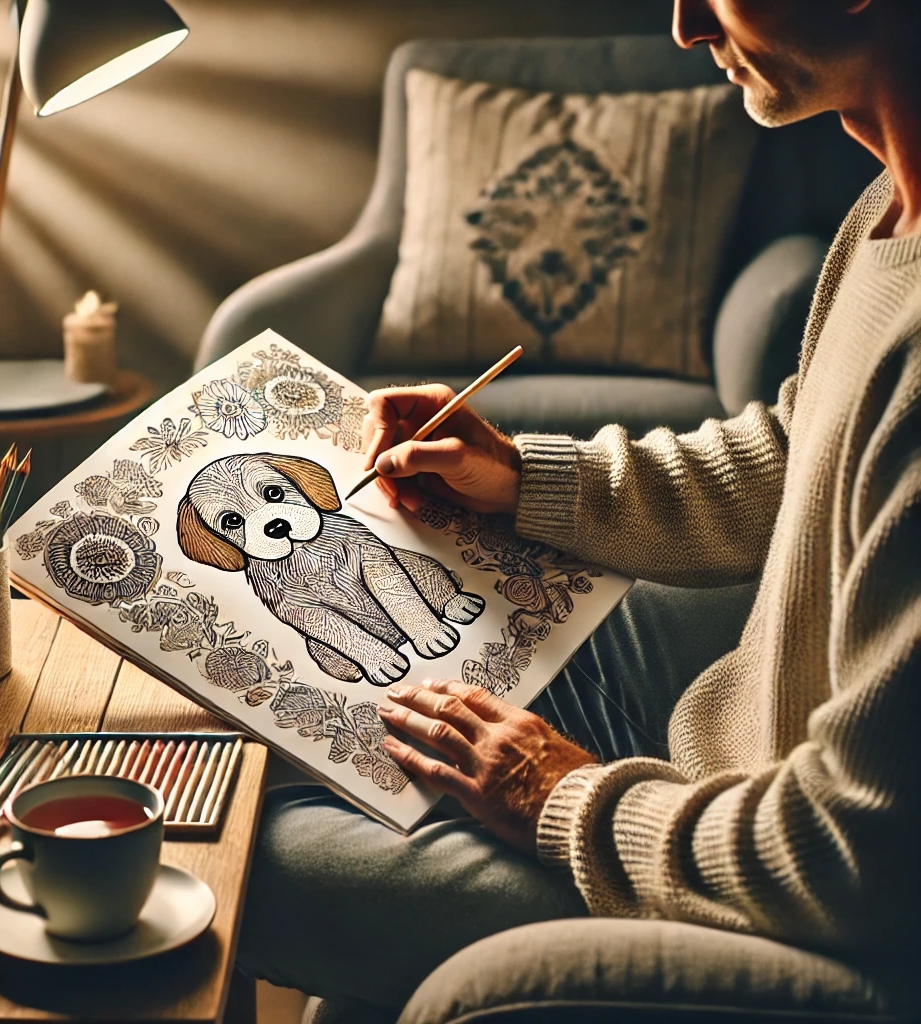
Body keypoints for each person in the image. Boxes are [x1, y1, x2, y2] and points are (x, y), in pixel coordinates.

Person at [237, 0, 921, 1013]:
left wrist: (555, 795)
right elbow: (793, 453)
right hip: (720, 755)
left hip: (778, 883)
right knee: (274, 737)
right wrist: (519, 476)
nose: (684, 24)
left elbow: (849, 855)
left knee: (251, 859)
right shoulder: (884, 211)